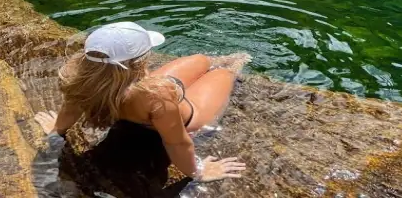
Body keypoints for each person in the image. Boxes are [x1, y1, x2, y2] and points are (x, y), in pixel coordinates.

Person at [33, 21, 248, 183]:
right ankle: (237, 61)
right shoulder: (154, 96)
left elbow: (70, 109)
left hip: (137, 97)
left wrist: (57, 130)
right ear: (138, 64)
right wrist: (197, 171)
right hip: (191, 116)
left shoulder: (79, 80)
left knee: (200, 60)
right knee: (224, 71)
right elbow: (177, 142)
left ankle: (216, 62)